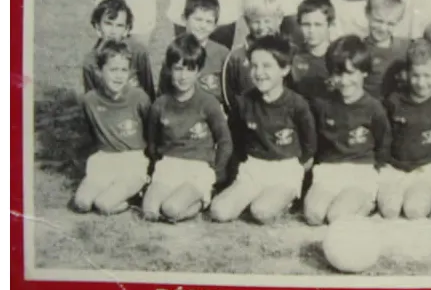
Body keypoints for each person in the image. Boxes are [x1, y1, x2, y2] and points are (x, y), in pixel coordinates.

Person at [210, 35, 316, 224]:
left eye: (267, 66)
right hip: (253, 170)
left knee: (261, 212)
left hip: (284, 171)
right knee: (219, 211)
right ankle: (251, 194)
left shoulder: (297, 105)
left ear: (284, 69)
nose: (259, 73)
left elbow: (309, 145)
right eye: (254, 66)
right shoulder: (244, 102)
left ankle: (284, 199)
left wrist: (295, 168)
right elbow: (237, 140)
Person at [142, 34, 233, 222]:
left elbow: (224, 141)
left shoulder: (208, 103)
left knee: (171, 209)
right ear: (169, 70)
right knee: (150, 211)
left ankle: (202, 199)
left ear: (198, 72)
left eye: (190, 70)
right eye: (178, 69)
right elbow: (152, 142)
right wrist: (157, 164)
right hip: (169, 165)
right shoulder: (160, 104)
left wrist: (215, 172)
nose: (183, 76)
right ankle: (169, 195)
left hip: (197, 168)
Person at [304, 35, 391, 225]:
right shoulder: (323, 104)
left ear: (364, 72)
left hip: (359, 173)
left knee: (337, 216)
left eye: (351, 73)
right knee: (313, 216)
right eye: (338, 74)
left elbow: (384, 142)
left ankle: (367, 202)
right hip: (329, 172)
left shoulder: (373, 108)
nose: (344, 81)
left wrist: (375, 172)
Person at [73, 40, 152, 215]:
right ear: (100, 71)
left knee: (104, 205)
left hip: (132, 161)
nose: (118, 76)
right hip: (104, 160)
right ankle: (111, 189)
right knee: (82, 203)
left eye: (124, 70)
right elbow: (92, 132)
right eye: (113, 70)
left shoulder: (139, 97)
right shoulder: (90, 100)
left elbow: (150, 131)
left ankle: (136, 194)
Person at [378, 38, 431, 220]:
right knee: (390, 211)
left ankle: (427, 197)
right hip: (395, 168)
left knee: (414, 211)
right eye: (416, 75)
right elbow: (383, 136)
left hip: (426, 169)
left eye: (427, 76)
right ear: (407, 74)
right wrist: (382, 165)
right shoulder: (394, 101)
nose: (421, 82)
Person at [157, 0, 229, 104]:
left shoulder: (222, 53)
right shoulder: (175, 50)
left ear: (215, 26)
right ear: (185, 18)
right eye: (198, 19)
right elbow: (163, 93)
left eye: (209, 21)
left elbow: (229, 94)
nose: (203, 26)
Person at [223, 0, 285, 113]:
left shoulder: (289, 52)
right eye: (256, 22)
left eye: (267, 21)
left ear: (279, 19)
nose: (262, 27)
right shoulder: (236, 57)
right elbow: (230, 97)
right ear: (246, 21)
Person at [82, 0, 155, 100]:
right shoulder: (90, 61)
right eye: (108, 24)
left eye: (119, 26)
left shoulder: (138, 52)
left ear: (126, 29)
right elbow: (90, 102)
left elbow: (149, 92)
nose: (113, 31)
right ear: (98, 27)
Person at [362, 0, 409, 101]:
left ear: (399, 21)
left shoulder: (406, 48)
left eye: (390, 24)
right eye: (378, 21)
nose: (383, 28)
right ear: (367, 13)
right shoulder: (359, 49)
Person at [288, 0, 334, 102]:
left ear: (329, 25)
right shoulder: (294, 57)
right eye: (306, 25)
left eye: (318, 25)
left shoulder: (338, 55)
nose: (311, 31)